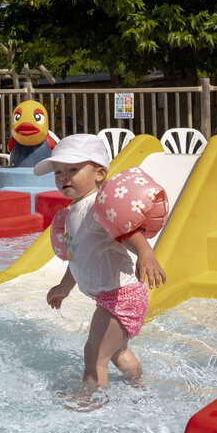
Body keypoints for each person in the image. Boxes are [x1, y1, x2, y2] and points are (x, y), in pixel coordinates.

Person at [40, 134, 167, 392]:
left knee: (94, 353)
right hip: (112, 296)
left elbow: (126, 231)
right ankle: (141, 388)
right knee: (117, 351)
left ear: (99, 173)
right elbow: (78, 256)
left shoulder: (99, 206)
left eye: (73, 169)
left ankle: (90, 401)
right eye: (58, 172)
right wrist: (64, 287)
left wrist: (145, 252)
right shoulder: (72, 213)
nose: (64, 177)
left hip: (121, 296)